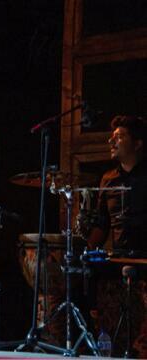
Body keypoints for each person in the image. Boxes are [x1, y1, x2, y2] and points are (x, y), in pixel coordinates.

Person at [87, 115, 147, 357]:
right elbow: (102, 224)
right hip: (119, 257)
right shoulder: (108, 179)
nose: (112, 141)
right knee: (86, 272)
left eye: (119, 136)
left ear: (138, 143)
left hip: (145, 257)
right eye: (112, 137)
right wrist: (87, 250)